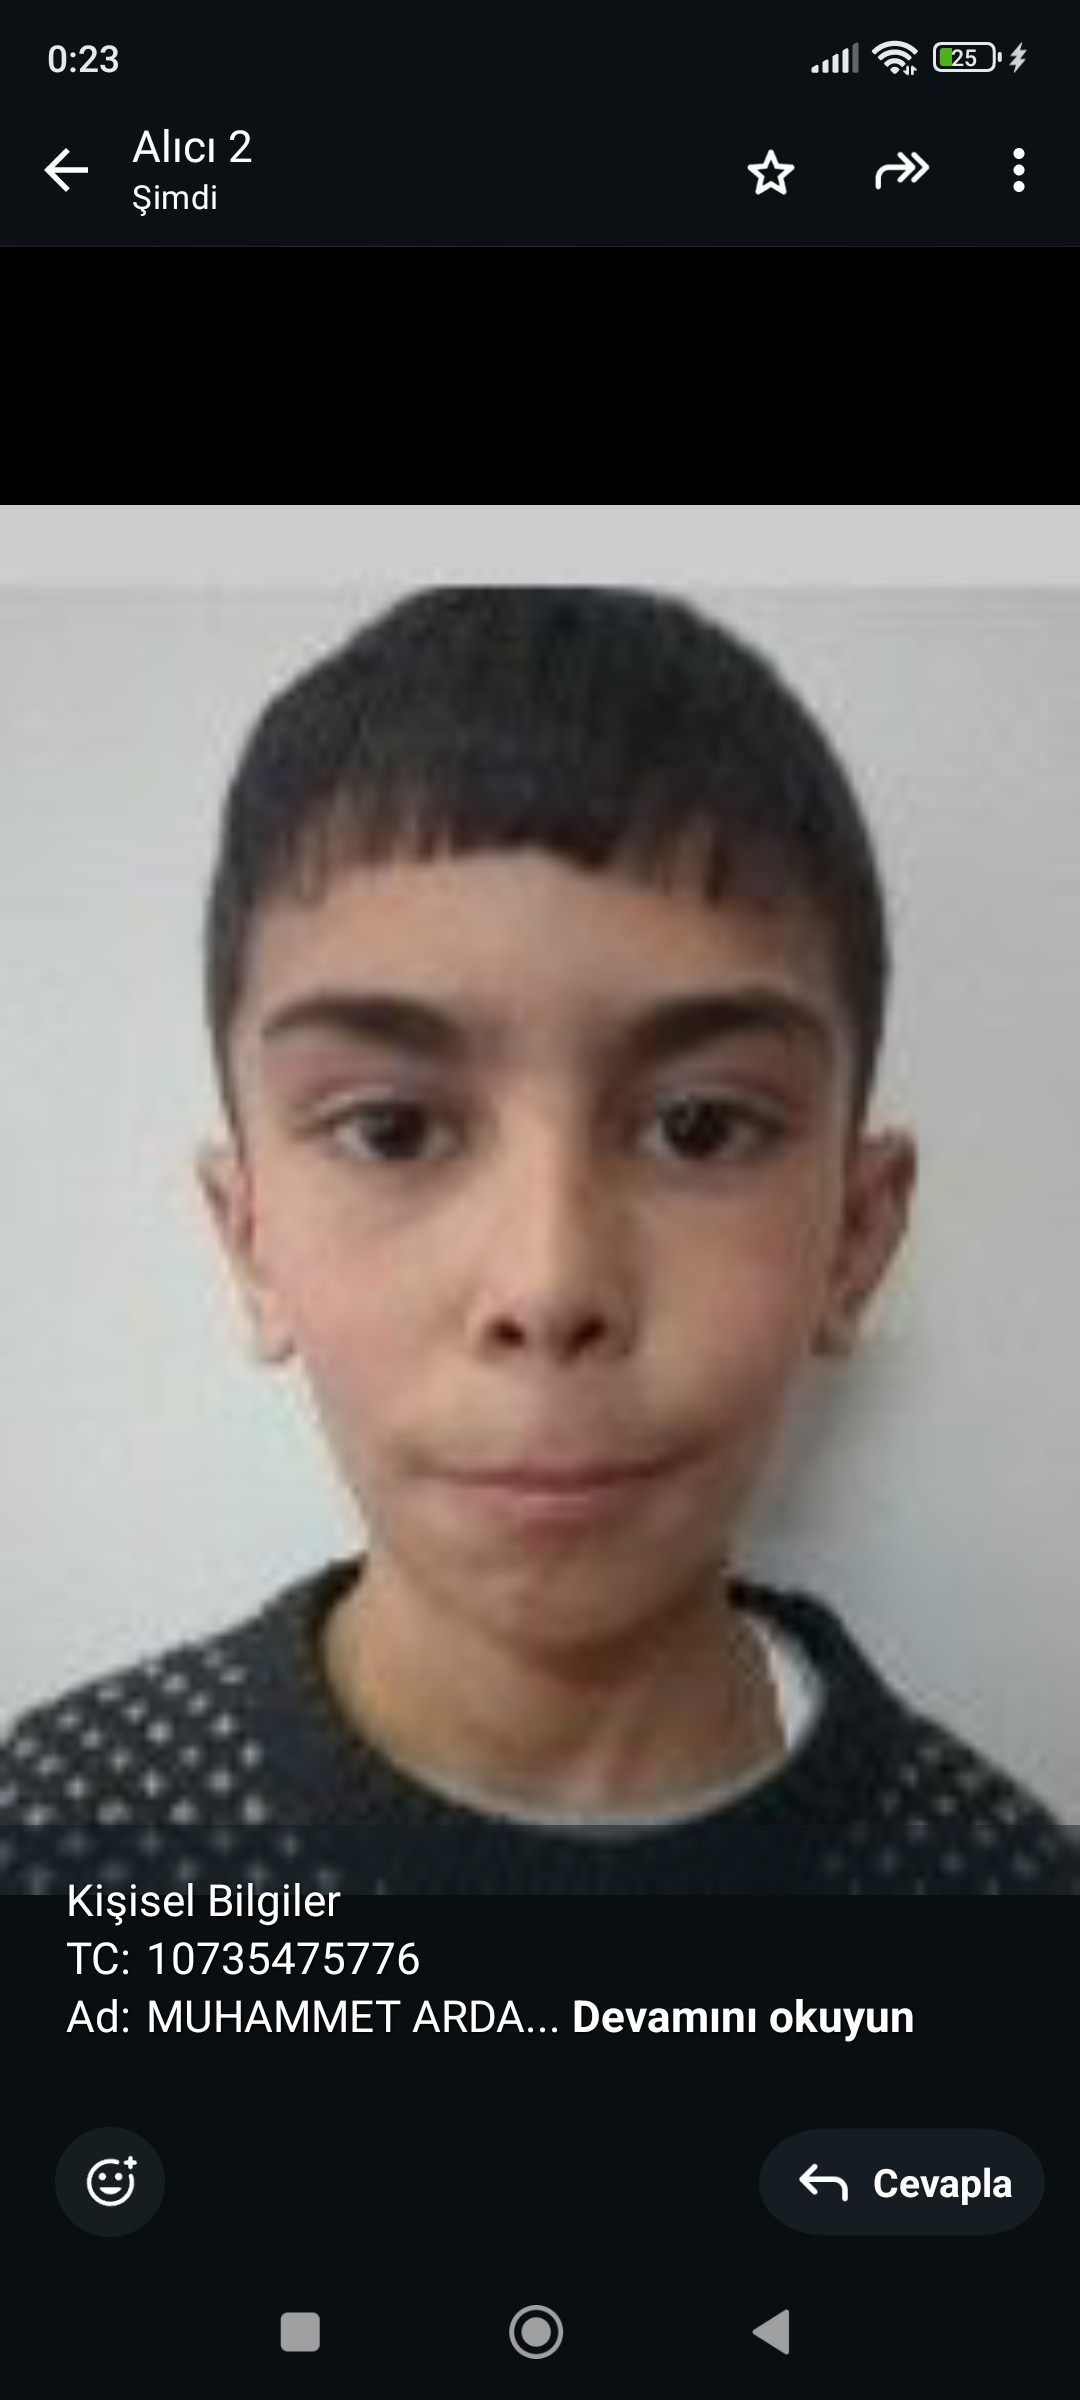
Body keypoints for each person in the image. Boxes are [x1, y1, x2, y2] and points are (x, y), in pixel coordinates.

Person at [1, 588, 1075, 1896]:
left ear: (854, 1238)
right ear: (250, 1238)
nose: (549, 1283)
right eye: (392, 1129)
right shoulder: (62, 1841)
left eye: (698, 1128)